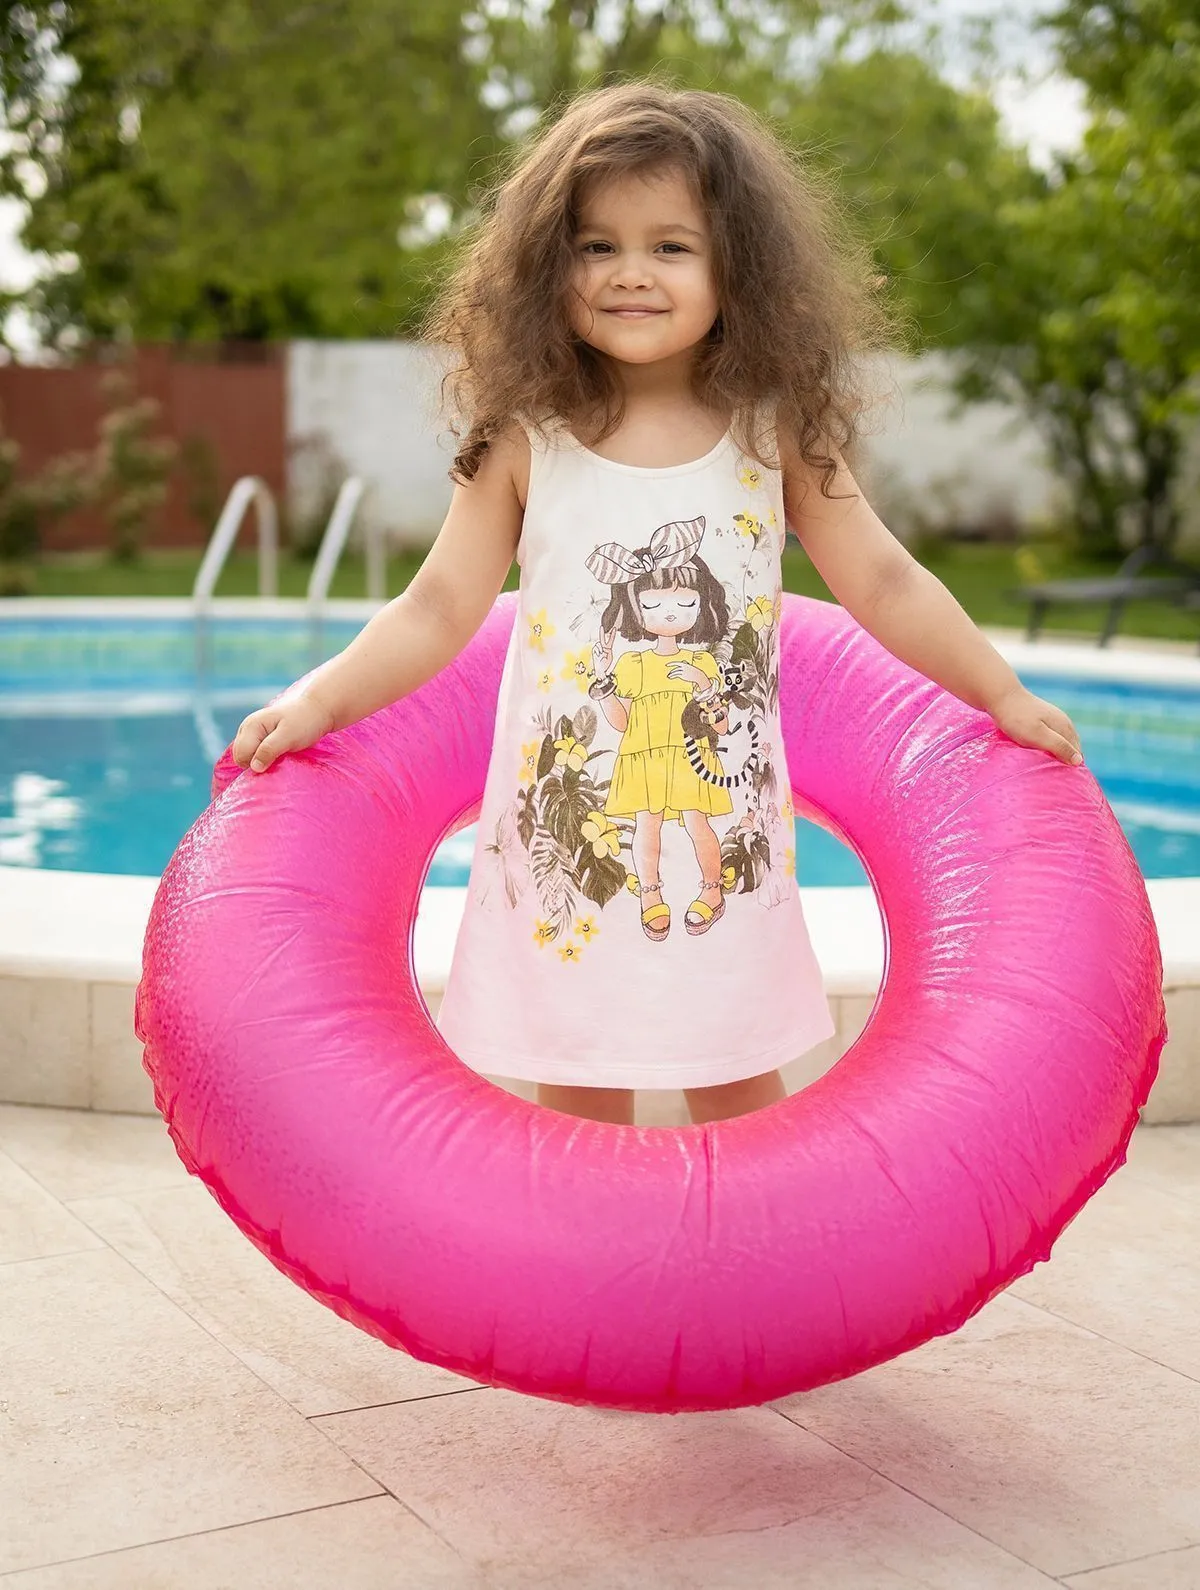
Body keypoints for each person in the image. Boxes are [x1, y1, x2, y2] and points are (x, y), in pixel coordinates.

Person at [231, 80, 1083, 1128]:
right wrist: (318, 700)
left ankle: (749, 1240)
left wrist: (1001, 693)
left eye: (671, 247)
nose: (631, 272)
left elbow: (884, 578)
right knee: (578, 1089)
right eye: (597, 246)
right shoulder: (525, 439)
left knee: (736, 1082)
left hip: (723, 839)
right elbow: (437, 605)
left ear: (739, 267)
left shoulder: (770, 431)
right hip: (576, 849)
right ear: (548, 265)